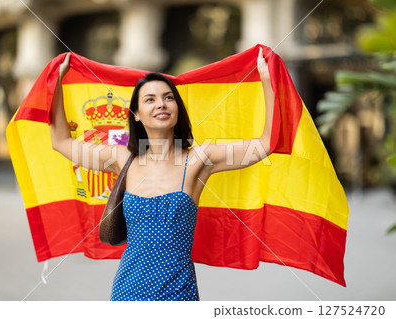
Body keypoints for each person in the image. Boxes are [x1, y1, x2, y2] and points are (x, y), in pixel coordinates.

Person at [50, 47, 275, 301]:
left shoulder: (200, 159)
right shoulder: (122, 159)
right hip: (128, 293)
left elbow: (266, 144)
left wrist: (266, 80)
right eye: (150, 99)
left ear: (177, 107)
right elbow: (61, 142)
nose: (161, 104)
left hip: (178, 294)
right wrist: (56, 82)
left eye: (168, 97)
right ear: (135, 114)